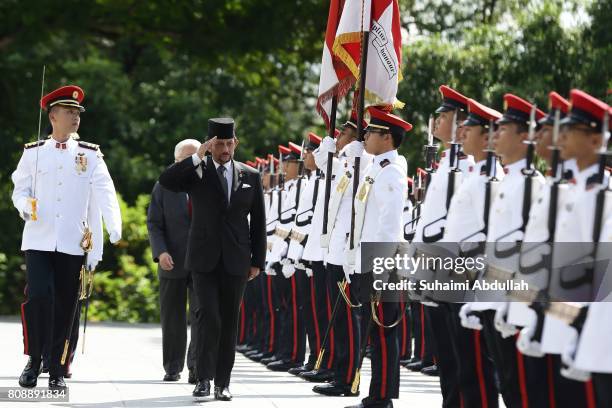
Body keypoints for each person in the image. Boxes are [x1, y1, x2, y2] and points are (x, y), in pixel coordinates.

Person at [12, 85, 122, 389]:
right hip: (38, 239)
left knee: (65, 304)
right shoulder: (33, 153)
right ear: (53, 116)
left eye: (78, 113)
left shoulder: (89, 154)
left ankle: (58, 370)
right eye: (70, 112)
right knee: (37, 298)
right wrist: (24, 205)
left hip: (72, 242)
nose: (75, 118)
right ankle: (34, 360)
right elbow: (19, 189)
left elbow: (105, 190)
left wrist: (114, 224)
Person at [158, 117, 266, 402]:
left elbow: (258, 223)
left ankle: (223, 383)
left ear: (236, 143)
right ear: (210, 144)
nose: (226, 149)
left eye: (230, 143)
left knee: (229, 322)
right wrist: (197, 155)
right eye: (219, 144)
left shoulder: (250, 176)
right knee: (208, 317)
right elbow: (167, 181)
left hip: (236, 260)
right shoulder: (197, 170)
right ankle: (203, 379)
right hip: (203, 258)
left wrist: (258, 261)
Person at [344, 107, 412, 408]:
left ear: (387, 137)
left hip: (382, 267)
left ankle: (382, 398)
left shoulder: (392, 173)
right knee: (374, 335)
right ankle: (376, 394)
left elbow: (389, 226)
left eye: (371, 131)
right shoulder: (376, 169)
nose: (366, 135)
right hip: (368, 262)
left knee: (384, 335)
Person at [147, 139, 201, 384]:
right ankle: (172, 366)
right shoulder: (164, 185)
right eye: (184, 160)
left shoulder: (209, 182)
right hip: (172, 260)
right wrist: (161, 252)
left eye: (195, 158)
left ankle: (196, 366)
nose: (190, 164)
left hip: (202, 261)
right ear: (176, 161)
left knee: (202, 315)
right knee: (172, 317)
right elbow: (154, 223)